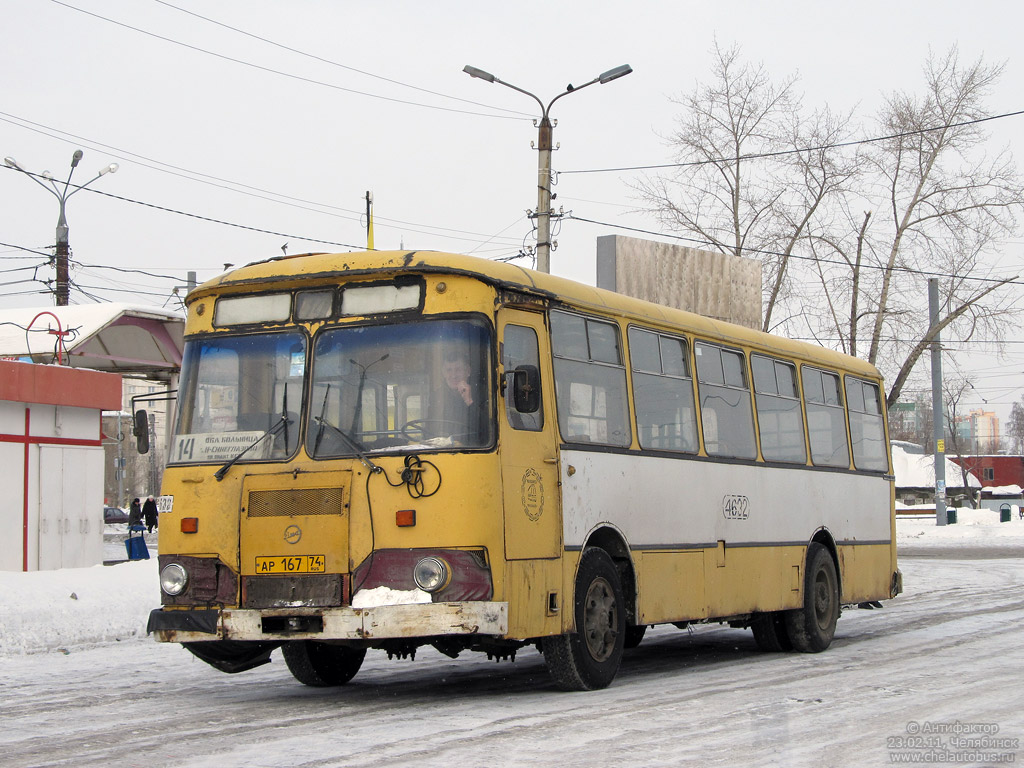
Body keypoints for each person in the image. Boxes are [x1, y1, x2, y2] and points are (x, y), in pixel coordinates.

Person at [439, 352, 484, 442]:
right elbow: (430, 429)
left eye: (458, 369)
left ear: (468, 371)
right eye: (449, 370)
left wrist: (469, 401)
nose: (454, 375)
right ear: (443, 373)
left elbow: (486, 430)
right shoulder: (437, 396)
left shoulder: (483, 393)